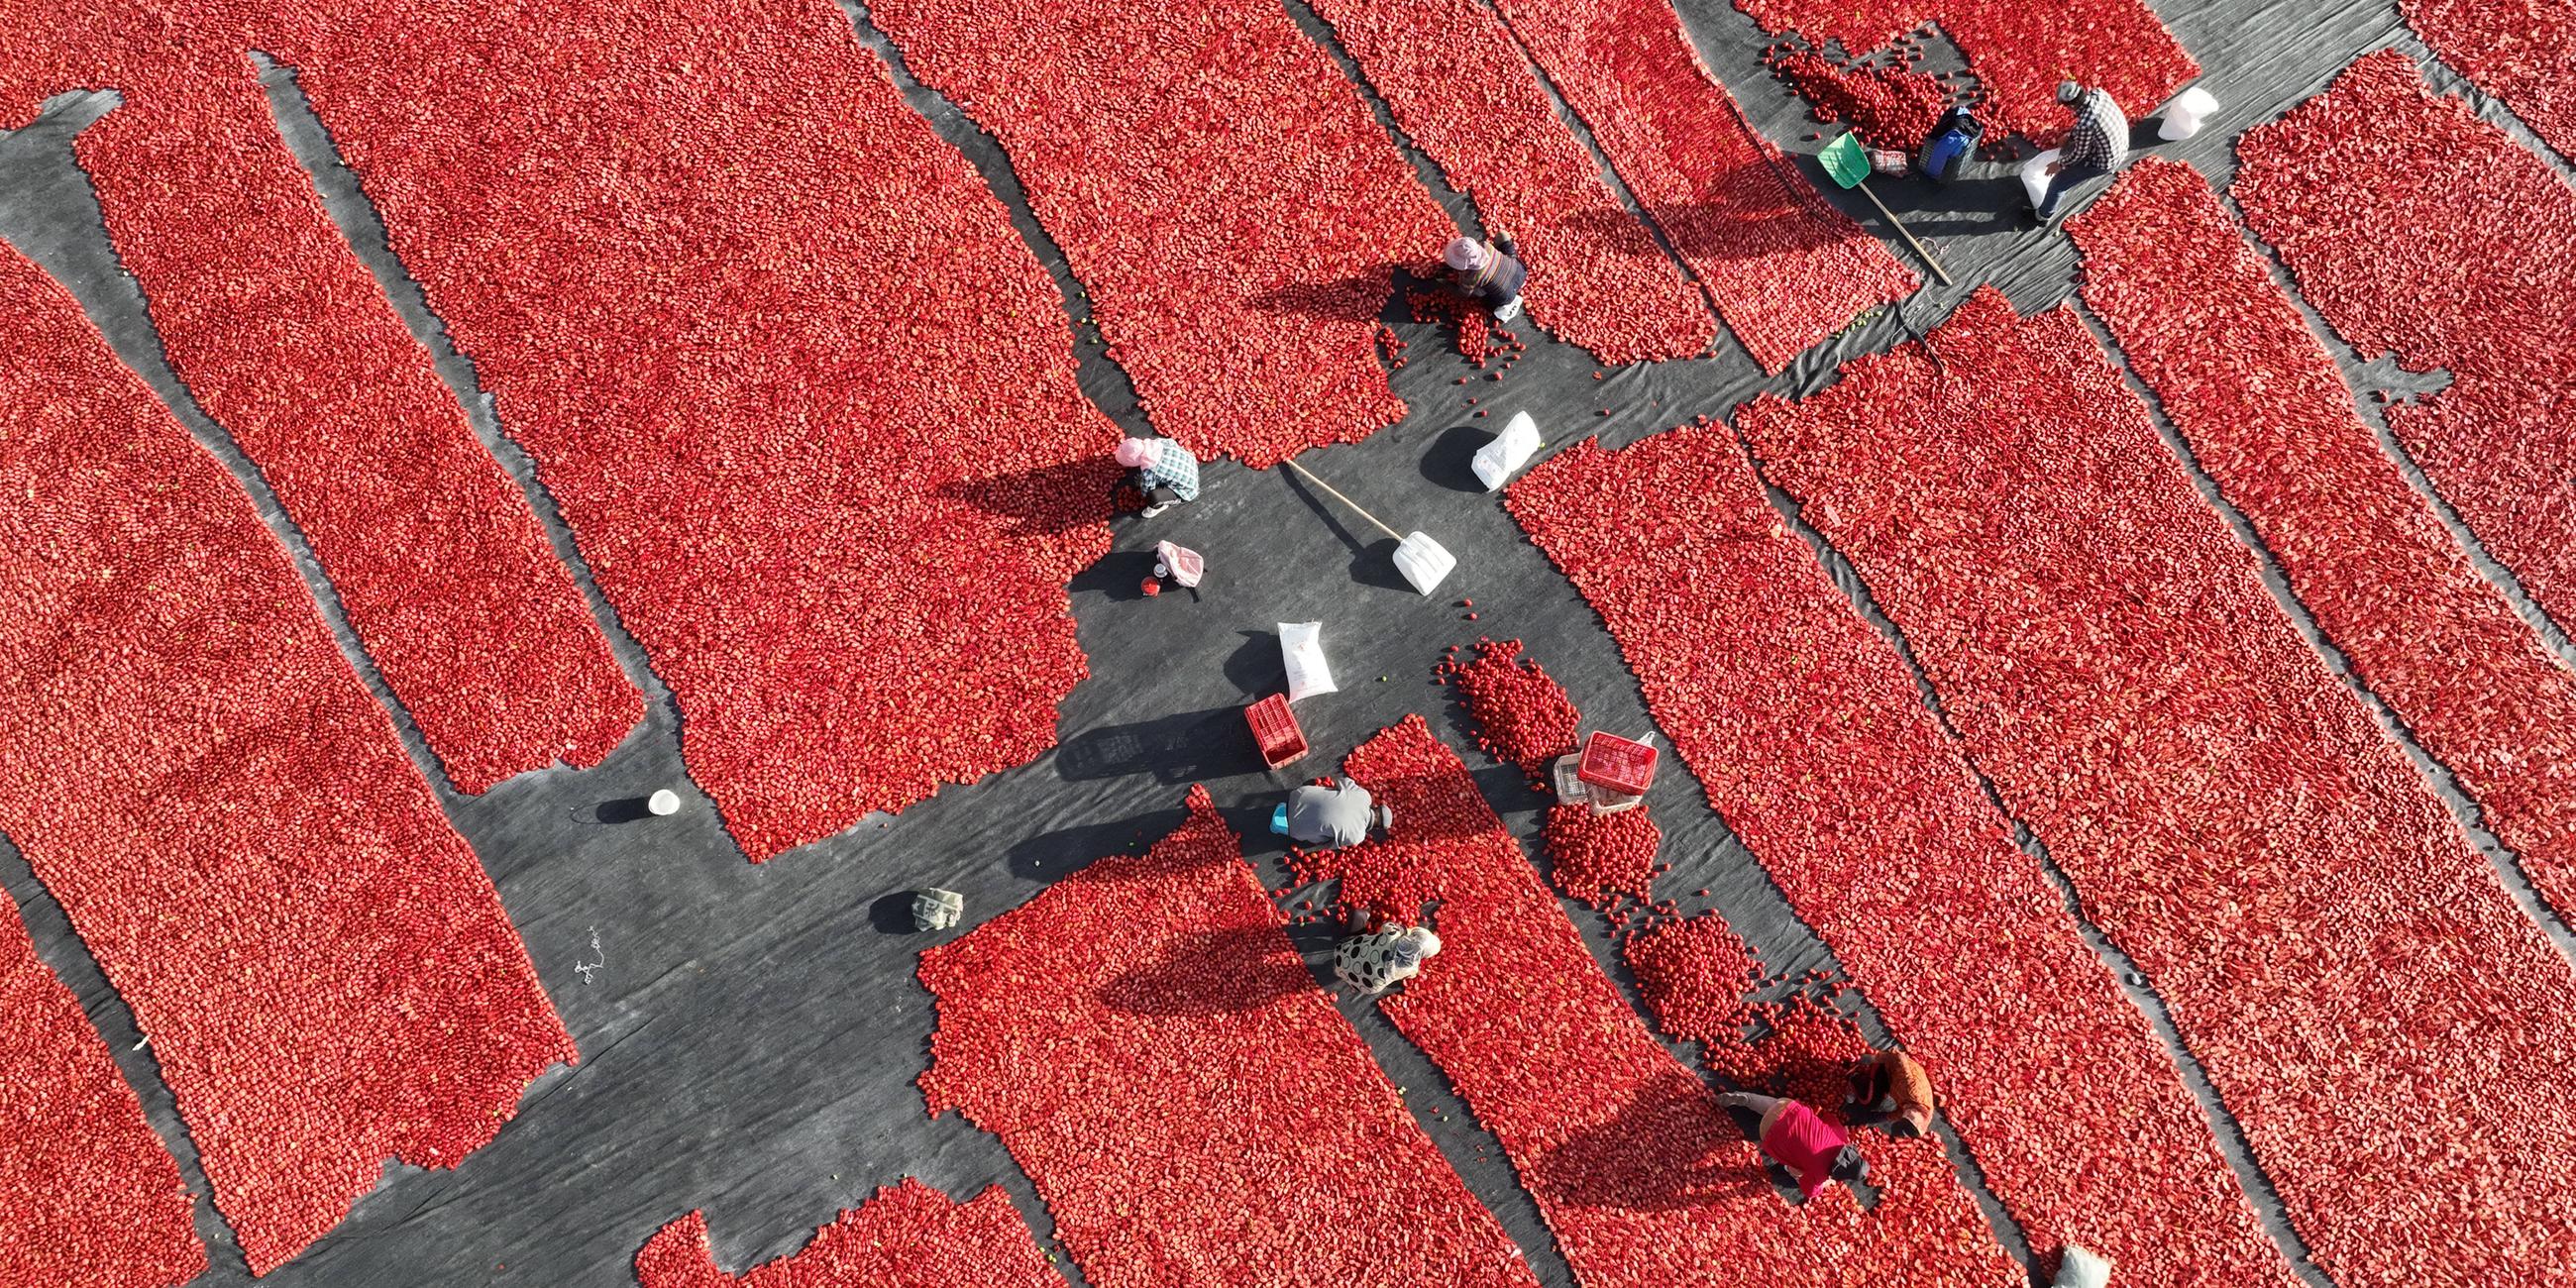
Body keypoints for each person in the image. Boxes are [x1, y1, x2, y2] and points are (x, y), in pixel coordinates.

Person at [1718, 1091, 1870, 1202]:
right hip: (1771, 1133)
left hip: (1790, 1110)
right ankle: (1785, 1166)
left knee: (1761, 1102)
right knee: (1797, 1172)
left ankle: (1740, 1098)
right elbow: (1809, 1191)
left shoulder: (1841, 1136)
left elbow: (1828, 1117)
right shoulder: (1819, 1175)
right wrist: (1823, 1184)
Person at [2031, 80, 2130, 224]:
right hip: (2121, 144)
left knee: (2059, 183)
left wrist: (2059, 164)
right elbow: (2090, 128)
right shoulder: (2099, 93)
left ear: (2071, 106)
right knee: (2074, 147)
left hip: (2105, 161)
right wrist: (2071, 135)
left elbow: (2079, 154)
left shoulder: (2085, 124)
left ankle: (2043, 216)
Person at [1334, 912, 1442, 997]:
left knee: (1359, 916)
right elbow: (1411, 974)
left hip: (1341, 959)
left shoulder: (1392, 934)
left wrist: (1406, 931)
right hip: (1365, 987)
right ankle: (1345, 976)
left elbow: (1384, 927)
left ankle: (1339, 969)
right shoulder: (1411, 969)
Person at [1843, 1049, 1935, 1138]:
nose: (1906, 1115)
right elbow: (1898, 1057)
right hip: (1889, 1067)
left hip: (1894, 1081)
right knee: (1867, 1099)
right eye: (1908, 1116)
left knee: (1872, 1104)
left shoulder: (1915, 1116)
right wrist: (1874, 1058)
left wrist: (1863, 1118)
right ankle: (1854, 1078)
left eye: (1905, 1118)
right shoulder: (1911, 1088)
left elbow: (1887, 1116)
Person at [1279, 777, 1393, 848]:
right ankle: (1281, 824)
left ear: (1376, 807)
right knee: (1329, 837)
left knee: (1335, 791)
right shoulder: (1358, 836)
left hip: (1297, 795)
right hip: (1294, 828)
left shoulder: (1364, 796)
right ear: (1377, 828)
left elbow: (1341, 780)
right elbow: (1329, 846)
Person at [1444, 233, 1527, 323]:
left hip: (1506, 297)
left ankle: (1503, 303)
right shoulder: (1485, 245)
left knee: (1480, 295)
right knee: (1503, 235)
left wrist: (1447, 285)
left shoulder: (1470, 277)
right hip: (1520, 271)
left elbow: (1463, 295)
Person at [1114, 435, 1199, 517]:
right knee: (1162, 476)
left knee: (1154, 497)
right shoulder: (1159, 442)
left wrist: (1141, 483)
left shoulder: (1149, 470)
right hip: (1190, 464)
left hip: (1187, 489)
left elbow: (1147, 491)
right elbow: (1172, 442)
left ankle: (1159, 506)